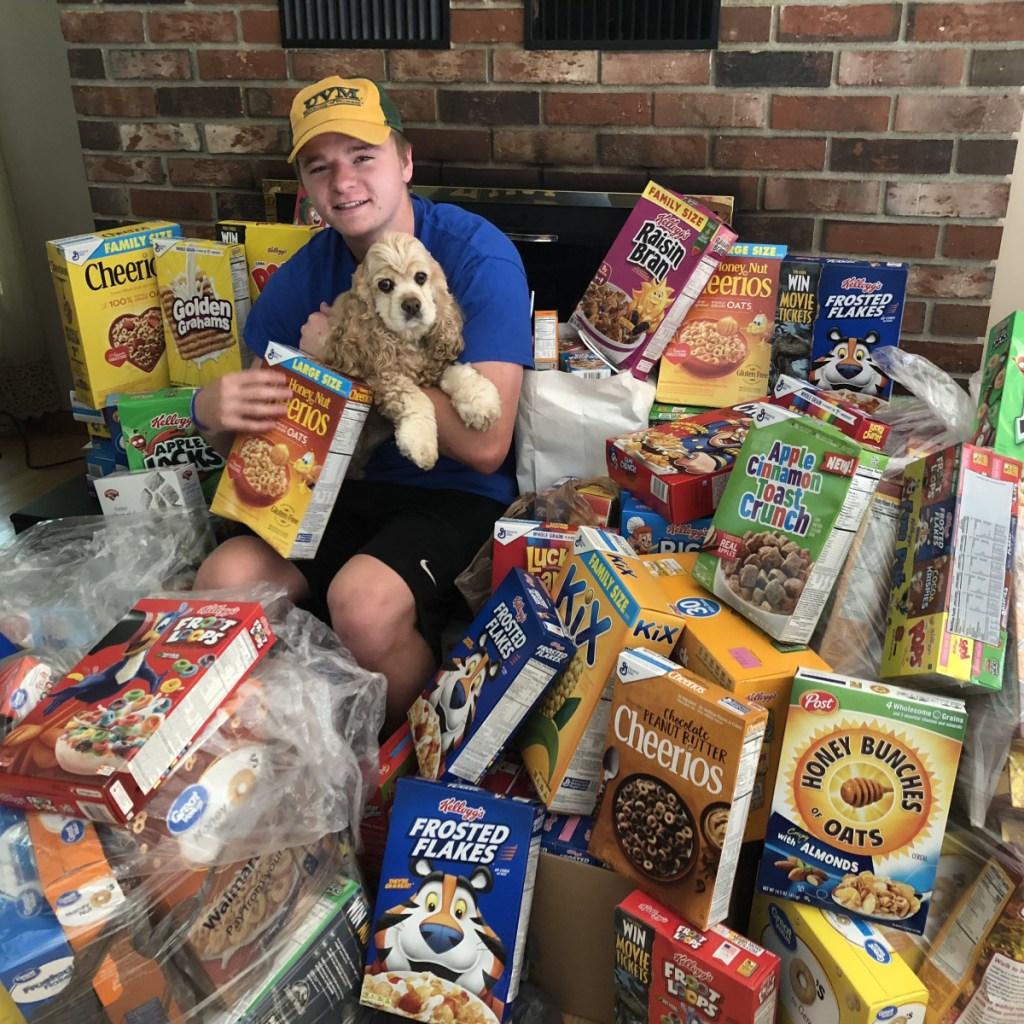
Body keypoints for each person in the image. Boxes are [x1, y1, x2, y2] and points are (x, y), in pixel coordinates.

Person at [191, 76, 533, 732]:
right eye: (321, 167)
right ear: (306, 187)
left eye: (363, 157)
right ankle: (287, 743)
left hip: (453, 489)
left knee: (362, 606)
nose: (343, 182)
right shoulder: (297, 284)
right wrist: (211, 415)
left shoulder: (475, 254)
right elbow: (260, 449)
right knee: (222, 579)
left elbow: (485, 444)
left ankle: (395, 753)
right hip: (331, 489)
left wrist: (350, 364)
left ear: (405, 162)